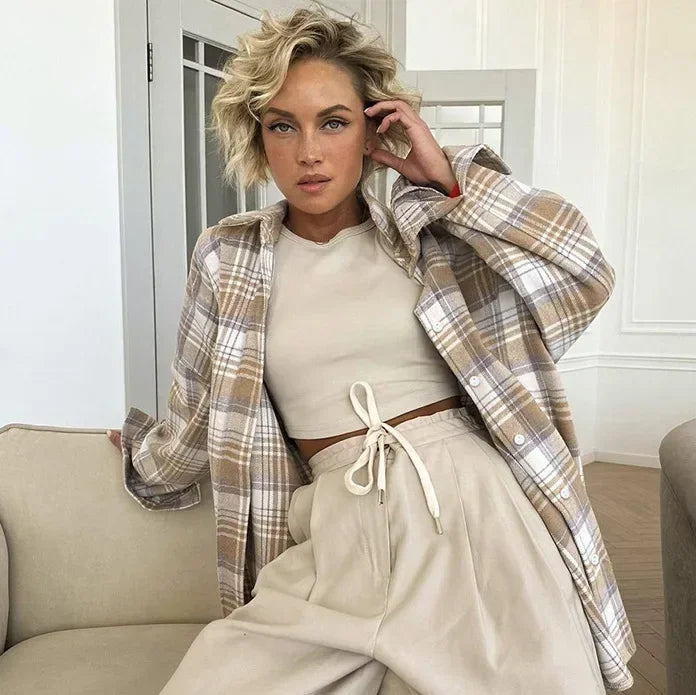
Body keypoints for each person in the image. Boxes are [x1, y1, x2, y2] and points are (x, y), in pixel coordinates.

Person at [108, 4, 635, 693]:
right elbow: (200, 409)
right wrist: (145, 460)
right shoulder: (227, 257)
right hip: (336, 531)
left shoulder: (431, 240)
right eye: (282, 126)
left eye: (333, 122)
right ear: (258, 138)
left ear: (372, 130)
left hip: (474, 516)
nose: (309, 152)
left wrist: (447, 179)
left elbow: (582, 271)